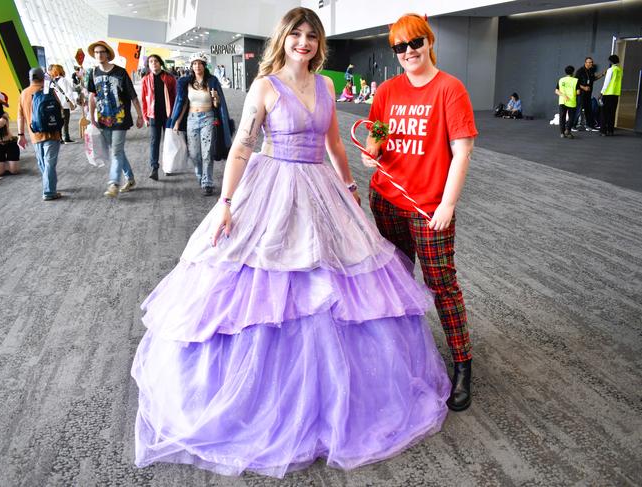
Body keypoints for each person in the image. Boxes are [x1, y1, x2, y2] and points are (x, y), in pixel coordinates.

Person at [132, 6, 451, 477]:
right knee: (265, 283)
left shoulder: (325, 86)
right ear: (282, 39)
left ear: (320, 44)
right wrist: (225, 203)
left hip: (320, 188)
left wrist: (346, 188)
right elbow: (242, 146)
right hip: (271, 188)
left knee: (333, 284)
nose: (304, 42)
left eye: (312, 36)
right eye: (296, 34)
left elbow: (336, 145)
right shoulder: (265, 86)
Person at [362, 13, 477, 412]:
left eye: (415, 43)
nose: (409, 52)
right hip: (387, 197)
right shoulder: (389, 90)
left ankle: (462, 363)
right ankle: (405, 356)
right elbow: (378, 130)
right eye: (400, 47)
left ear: (429, 42)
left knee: (441, 284)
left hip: (429, 208)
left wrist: (447, 204)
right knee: (395, 280)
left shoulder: (450, 89)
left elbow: (462, 151)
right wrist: (373, 150)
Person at [87, 40, 144, 197]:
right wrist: (91, 117)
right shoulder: (92, 73)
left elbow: (133, 95)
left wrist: (140, 115)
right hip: (103, 119)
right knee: (116, 151)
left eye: (101, 52)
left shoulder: (120, 72)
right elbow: (92, 97)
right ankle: (130, 179)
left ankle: (113, 183)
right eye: (96, 52)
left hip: (120, 118)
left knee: (116, 152)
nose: (99, 55)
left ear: (107, 54)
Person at [168, 52, 231, 195]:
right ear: (191, 66)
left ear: (204, 65)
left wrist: (216, 98)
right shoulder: (186, 82)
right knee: (195, 153)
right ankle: (200, 175)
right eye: (194, 64)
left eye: (200, 63)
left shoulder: (212, 81)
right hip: (191, 118)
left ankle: (207, 182)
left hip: (208, 118)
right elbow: (183, 103)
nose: (197, 66)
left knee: (207, 152)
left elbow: (217, 105)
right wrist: (177, 121)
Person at [17, 68, 63, 200]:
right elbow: (58, 108)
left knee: (43, 162)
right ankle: (49, 191)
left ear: (30, 78)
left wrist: (21, 135)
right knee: (50, 162)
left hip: (35, 134)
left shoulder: (24, 94)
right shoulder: (49, 91)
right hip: (52, 133)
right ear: (43, 78)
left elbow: (20, 117)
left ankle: (50, 185)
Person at [141, 54, 177, 181]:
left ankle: (168, 166)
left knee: (168, 142)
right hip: (153, 115)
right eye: (151, 61)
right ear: (148, 65)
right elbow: (144, 100)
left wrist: (175, 115)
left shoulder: (169, 78)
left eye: (156, 61)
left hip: (168, 115)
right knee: (154, 142)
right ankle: (154, 168)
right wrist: (145, 117)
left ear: (160, 63)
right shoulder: (145, 80)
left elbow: (175, 97)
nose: (153, 63)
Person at [572, 57, 604, 131]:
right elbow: (575, 81)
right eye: (589, 62)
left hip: (588, 94)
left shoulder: (591, 71)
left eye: (591, 62)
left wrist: (602, 75)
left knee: (588, 110)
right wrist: (583, 87)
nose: (591, 63)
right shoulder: (580, 71)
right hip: (581, 94)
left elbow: (593, 79)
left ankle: (589, 126)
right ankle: (572, 126)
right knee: (578, 109)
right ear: (585, 63)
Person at [0, 89, 20, 177]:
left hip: (10, 144)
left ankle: (6, 163)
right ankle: (3, 163)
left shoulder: (4, 114)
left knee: (14, 171)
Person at [48, 64, 77, 144]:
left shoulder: (52, 82)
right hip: (64, 104)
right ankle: (66, 138)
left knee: (58, 122)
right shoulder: (63, 80)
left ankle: (60, 138)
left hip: (56, 105)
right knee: (65, 122)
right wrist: (73, 103)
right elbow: (68, 92)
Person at [600, 54, 622, 137]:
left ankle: (603, 131)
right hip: (615, 94)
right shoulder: (619, 70)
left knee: (604, 113)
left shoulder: (611, 70)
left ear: (611, 61)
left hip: (608, 94)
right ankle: (610, 131)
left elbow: (607, 82)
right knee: (612, 113)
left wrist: (601, 92)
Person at [555, 65, 579, 139]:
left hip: (562, 101)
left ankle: (562, 133)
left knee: (562, 117)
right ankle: (568, 130)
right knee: (572, 117)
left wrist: (564, 95)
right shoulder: (576, 80)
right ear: (573, 72)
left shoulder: (561, 80)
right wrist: (572, 94)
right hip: (572, 101)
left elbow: (556, 91)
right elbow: (578, 92)